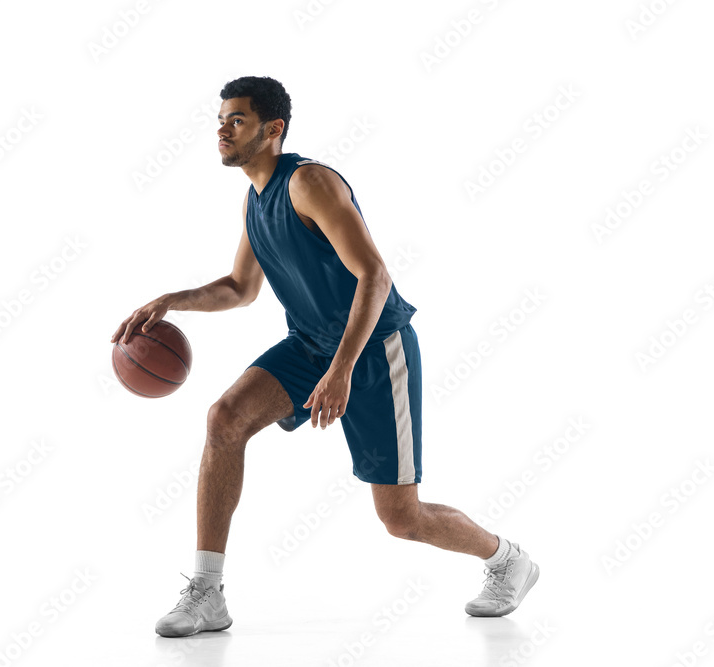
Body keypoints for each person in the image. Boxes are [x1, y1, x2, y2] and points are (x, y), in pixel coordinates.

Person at [110, 76, 539, 638]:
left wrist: (341, 371)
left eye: (236, 119)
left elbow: (375, 276)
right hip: (310, 342)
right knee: (224, 419)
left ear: (273, 130)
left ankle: (507, 561)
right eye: (220, 118)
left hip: (375, 349)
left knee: (401, 519)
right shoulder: (255, 197)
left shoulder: (309, 183)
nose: (222, 128)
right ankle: (207, 592)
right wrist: (173, 301)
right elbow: (241, 287)